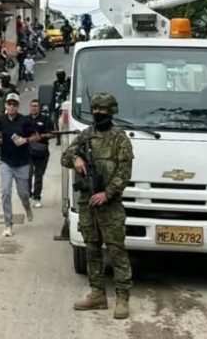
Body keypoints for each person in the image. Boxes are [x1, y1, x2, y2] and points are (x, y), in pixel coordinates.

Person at [60, 93, 134, 319]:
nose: (99, 112)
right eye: (96, 108)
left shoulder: (120, 139)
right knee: (91, 249)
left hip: (110, 206)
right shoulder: (85, 136)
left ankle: (122, 297)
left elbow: (124, 173)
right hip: (87, 204)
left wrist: (107, 193)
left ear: (112, 111)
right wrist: (76, 159)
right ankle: (97, 294)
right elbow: (65, 157)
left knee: (116, 251)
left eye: (104, 109)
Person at [0, 93, 39, 237]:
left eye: (14, 104)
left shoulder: (25, 121)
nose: (11, 107)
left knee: (23, 194)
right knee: (5, 192)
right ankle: (8, 224)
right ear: (6, 105)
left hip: (22, 162)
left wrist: (25, 140)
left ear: (18, 106)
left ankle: (27, 207)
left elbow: (37, 136)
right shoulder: (0, 120)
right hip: (6, 161)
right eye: (9, 104)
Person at [26, 98, 53, 208]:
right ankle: (28, 195)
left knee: (38, 176)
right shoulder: (25, 119)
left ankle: (37, 198)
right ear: (30, 107)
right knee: (27, 175)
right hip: (28, 152)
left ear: (39, 108)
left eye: (36, 106)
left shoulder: (46, 119)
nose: (34, 108)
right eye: (32, 106)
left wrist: (41, 136)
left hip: (42, 152)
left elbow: (53, 134)